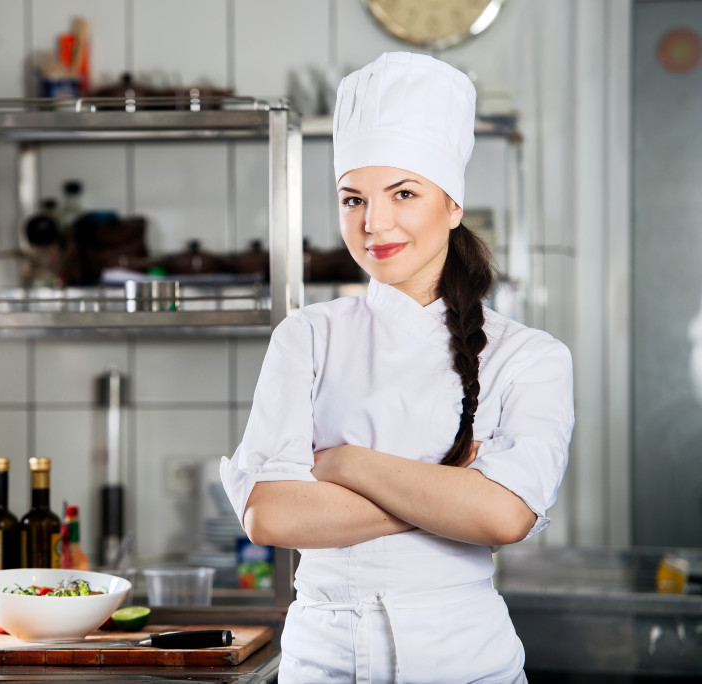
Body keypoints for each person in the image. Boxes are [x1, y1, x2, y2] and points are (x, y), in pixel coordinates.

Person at [220, 52, 574, 683]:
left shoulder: (531, 356)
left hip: (465, 661)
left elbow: (504, 516)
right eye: (352, 198)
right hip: (321, 660)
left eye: (403, 193)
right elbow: (271, 515)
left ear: (453, 205)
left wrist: (345, 466)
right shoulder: (307, 336)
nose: (373, 223)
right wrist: (447, 487)